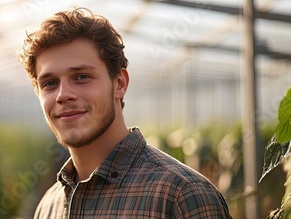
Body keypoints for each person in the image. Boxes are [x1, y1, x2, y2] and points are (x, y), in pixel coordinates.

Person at [17, 7, 232, 219]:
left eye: (81, 77)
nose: (63, 95)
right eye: (50, 83)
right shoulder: (48, 206)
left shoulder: (182, 197)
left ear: (119, 83)